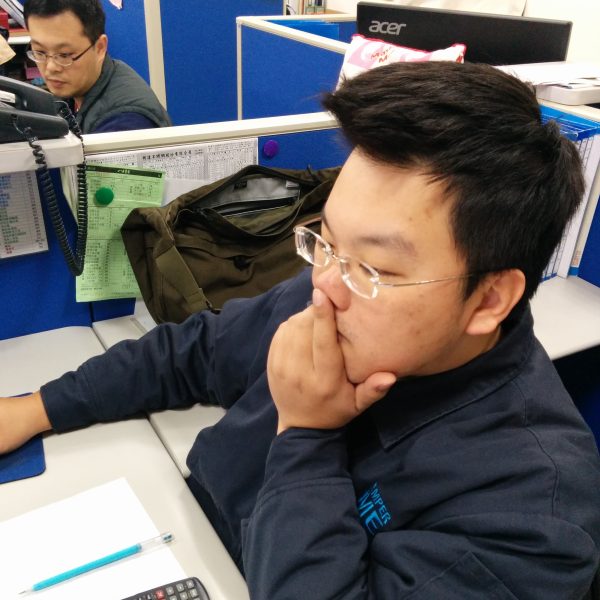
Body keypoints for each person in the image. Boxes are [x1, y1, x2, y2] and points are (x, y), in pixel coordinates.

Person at [1, 61, 600, 599]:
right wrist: (36, 408)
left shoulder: (534, 518)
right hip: (186, 533)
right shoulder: (336, 288)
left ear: (489, 299)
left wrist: (307, 434)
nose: (324, 287)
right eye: (326, 241)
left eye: (375, 267)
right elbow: (196, 351)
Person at [22, 0, 171, 133]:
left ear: (100, 48)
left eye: (64, 55)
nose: (50, 68)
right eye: (40, 52)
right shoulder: (78, 89)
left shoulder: (124, 123)